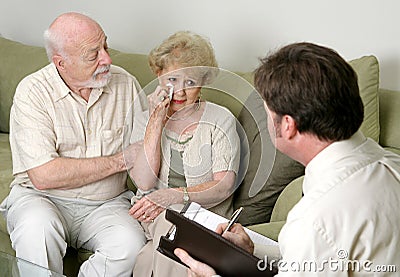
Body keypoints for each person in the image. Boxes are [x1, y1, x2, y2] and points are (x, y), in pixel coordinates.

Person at [174, 42, 400, 276]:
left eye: (267, 113)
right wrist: (253, 252)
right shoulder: (391, 166)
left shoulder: (315, 219)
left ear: (288, 126)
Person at [0, 12, 148, 276]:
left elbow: (144, 161)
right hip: (42, 198)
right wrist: (120, 160)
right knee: (36, 230)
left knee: (131, 245)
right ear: (61, 63)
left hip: (108, 203)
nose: (107, 59)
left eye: (105, 46)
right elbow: (44, 176)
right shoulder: (32, 92)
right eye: (93, 54)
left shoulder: (126, 84)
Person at [129, 31, 241, 276]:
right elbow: (144, 181)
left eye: (189, 83)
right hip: (150, 215)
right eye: (172, 80)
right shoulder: (143, 119)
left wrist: (171, 196)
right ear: (159, 75)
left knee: (148, 257)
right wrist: (155, 121)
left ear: (202, 83)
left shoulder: (221, 119)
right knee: (171, 224)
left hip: (204, 219)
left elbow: (224, 186)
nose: (179, 91)